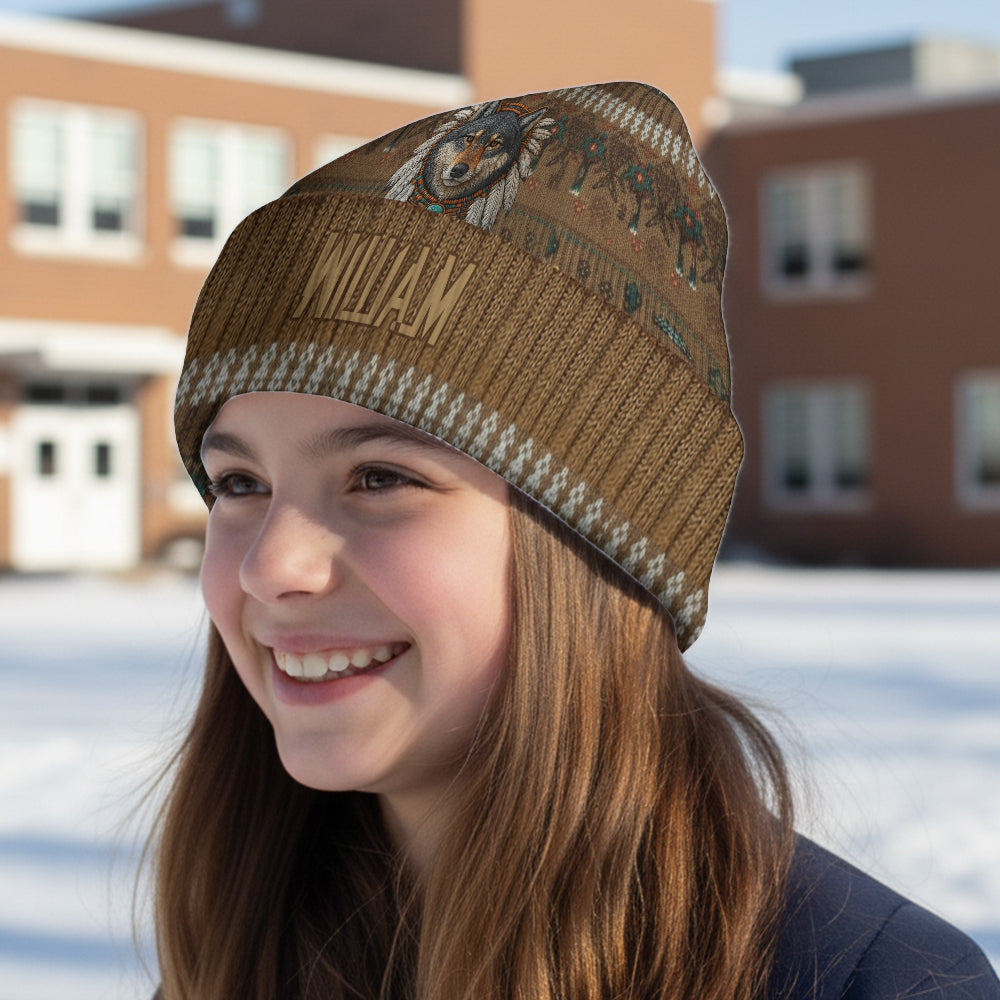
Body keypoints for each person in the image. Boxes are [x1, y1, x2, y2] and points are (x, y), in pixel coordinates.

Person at [159, 81, 999, 999]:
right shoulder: (244, 949)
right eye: (239, 483)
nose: (272, 565)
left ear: (601, 545)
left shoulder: (876, 985)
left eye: (382, 478)